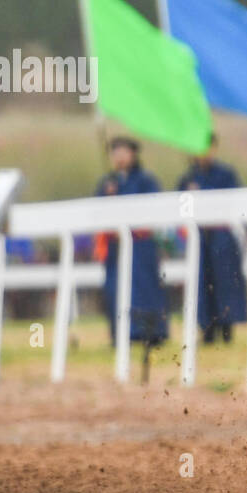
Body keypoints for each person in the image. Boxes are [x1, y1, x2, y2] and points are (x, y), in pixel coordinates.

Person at [177, 134, 247, 343]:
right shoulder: (188, 179)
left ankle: (227, 329)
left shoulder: (225, 175)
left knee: (224, 283)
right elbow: (181, 211)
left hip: (221, 236)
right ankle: (206, 329)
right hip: (199, 238)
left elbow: (234, 203)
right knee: (201, 284)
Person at [96, 136, 168, 344]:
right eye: (115, 152)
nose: (119, 156)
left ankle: (149, 332)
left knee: (144, 289)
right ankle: (120, 333)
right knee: (115, 289)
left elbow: (153, 210)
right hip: (116, 247)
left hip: (140, 245)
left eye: (123, 151)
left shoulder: (146, 181)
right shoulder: (108, 183)